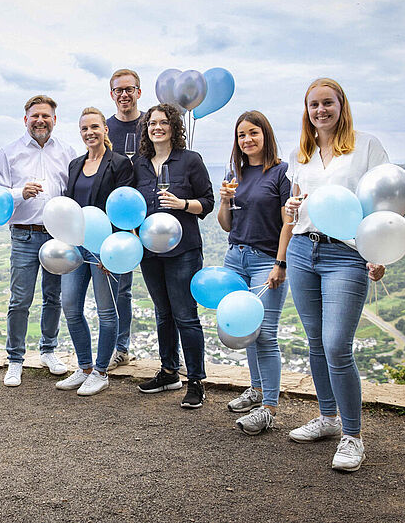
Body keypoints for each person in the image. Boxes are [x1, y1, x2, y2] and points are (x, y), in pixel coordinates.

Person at [284, 78, 388, 472]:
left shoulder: (367, 146)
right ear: (306, 110)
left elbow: (382, 204)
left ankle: (353, 436)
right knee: (314, 341)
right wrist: (292, 209)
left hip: (345, 255)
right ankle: (328, 418)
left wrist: (378, 253)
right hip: (302, 249)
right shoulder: (303, 153)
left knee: (335, 345)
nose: (320, 110)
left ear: (341, 105)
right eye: (313, 105)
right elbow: (294, 207)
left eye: (328, 103)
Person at [0, 95, 76, 387]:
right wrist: (19, 193)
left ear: (55, 119)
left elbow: (73, 193)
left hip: (57, 235)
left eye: (46, 116)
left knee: (53, 297)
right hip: (24, 233)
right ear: (25, 119)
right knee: (20, 300)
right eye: (35, 116)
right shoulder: (9, 152)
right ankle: (15, 359)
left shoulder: (67, 151)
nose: (40, 121)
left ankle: (48, 350)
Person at [134, 104, 214, 408]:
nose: (157, 127)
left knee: (185, 315)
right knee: (162, 313)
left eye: (163, 122)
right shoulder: (140, 164)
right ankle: (169, 371)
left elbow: (206, 202)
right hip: (149, 251)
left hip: (183, 251)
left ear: (174, 127)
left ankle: (196, 381)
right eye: (152, 123)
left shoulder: (190, 160)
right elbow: (130, 204)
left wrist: (181, 203)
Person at [217, 111, 291, 434]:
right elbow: (226, 224)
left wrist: (280, 263)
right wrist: (224, 201)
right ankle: (257, 389)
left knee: (266, 334)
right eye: (241, 135)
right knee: (247, 331)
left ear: (265, 135)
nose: (246, 140)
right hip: (236, 257)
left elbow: (289, 222)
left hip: (265, 262)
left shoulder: (280, 173)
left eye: (253, 133)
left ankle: (269, 407)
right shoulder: (238, 173)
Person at [56, 107, 134, 396]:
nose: (90, 133)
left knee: (106, 311)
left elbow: (123, 208)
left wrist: (111, 250)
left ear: (105, 130)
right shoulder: (75, 164)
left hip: (105, 247)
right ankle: (85, 367)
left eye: (95, 127)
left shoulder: (120, 163)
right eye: (85, 128)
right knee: (70, 306)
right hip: (77, 246)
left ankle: (101, 371)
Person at [105, 69, 146, 371]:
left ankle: (175, 355)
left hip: (152, 216)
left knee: (171, 288)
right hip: (117, 219)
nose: (124, 94)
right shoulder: (105, 128)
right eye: (118, 90)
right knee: (121, 289)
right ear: (111, 94)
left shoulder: (152, 124)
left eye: (129, 89)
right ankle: (121, 348)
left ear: (138, 92)